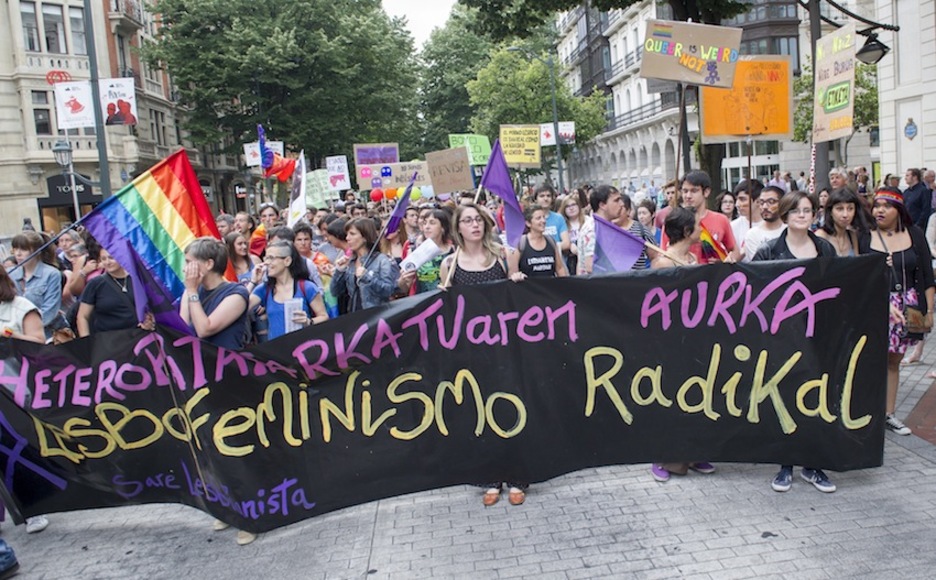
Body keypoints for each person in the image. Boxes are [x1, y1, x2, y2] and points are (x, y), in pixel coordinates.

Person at [753, 190, 837, 493]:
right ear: (786, 214)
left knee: (815, 398)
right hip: (781, 338)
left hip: (818, 338)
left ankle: (813, 465)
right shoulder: (769, 250)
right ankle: (785, 463)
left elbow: (841, 289)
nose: (803, 215)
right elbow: (755, 293)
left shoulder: (825, 249)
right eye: (797, 210)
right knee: (784, 398)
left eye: (808, 210)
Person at [860, 187, 935, 436]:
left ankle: (888, 414)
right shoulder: (864, 236)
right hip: (873, 304)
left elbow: (926, 276)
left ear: (899, 209)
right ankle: (866, 413)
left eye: (887, 205)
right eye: (877, 204)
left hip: (907, 307)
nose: (880, 209)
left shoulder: (914, 234)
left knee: (894, 361)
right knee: (871, 360)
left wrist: (929, 312)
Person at [649, 207, 716, 483]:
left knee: (697, 394)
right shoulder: (663, 264)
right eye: (698, 227)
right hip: (671, 341)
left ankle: (694, 452)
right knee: (671, 396)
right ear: (687, 232)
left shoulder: (692, 258)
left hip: (696, 339)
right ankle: (662, 457)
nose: (702, 230)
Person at [249, 241, 328, 342]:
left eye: (271, 258)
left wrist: (309, 321)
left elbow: (324, 317)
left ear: (287, 261)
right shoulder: (265, 289)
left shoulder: (307, 287)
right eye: (266, 258)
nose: (267, 262)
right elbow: (242, 308)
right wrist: (253, 281)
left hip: (302, 350)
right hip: (276, 352)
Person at [180, 238, 250, 351]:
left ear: (209, 264)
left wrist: (192, 292)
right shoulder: (191, 290)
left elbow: (204, 330)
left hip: (224, 364)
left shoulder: (236, 294)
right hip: (195, 363)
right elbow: (181, 330)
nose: (185, 269)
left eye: (189, 262)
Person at [663, 171, 739, 263]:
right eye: (685, 191)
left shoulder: (721, 220)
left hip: (713, 275)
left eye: (694, 191)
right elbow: (664, 254)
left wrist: (724, 263)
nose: (688, 196)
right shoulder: (674, 220)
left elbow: (734, 251)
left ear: (706, 192)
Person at [76, 248, 154, 336]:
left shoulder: (137, 279)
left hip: (138, 338)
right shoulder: (95, 284)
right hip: (108, 341)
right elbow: (82, 316)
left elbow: (151, 307)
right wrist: (87, 342)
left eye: (111, 258)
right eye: (103, 259)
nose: (108, 262)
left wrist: (149, 321)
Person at [331, 218, 400, 312]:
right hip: (355, 316)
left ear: (364, 237)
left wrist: (367, 277)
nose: (347, 238)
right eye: (347, 234)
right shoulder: (350, 261)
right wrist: (339, 270)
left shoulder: (382, 260)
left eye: (352, 234)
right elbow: (335, 291)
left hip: (376, 316)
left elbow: (389, 290)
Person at [9, 231, 63, 341]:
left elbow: (49, 311)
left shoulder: (51, 274)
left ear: (37, 251)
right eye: (15, 249)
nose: (18, 254)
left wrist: (27, 328)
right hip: (15, 336)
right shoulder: (10, 274)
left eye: (23, 249)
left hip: (47, 334)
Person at [439, 203, 508, 287]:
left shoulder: (502, 255)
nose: (475, 225)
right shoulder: (449, 265)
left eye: (479, 219)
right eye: (468, 221)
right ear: (458, 228)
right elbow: (451, 298)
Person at [398, 208, 454, 295]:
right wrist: (403, 280)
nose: (427, 227)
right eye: (425, 223)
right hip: (423, 303)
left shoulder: (453, 251)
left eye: (432, 223)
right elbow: (404, 288)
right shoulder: (414, 251)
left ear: (443, 228)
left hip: (446, 302)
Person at [508, 206, 569, 280]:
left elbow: (559, 268)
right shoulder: (520, 244)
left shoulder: (551, 241)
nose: (543, 221)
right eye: (538, 218)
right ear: (528, 223)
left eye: (544, 217)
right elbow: (513, 274)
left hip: (549, 289)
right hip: (528, 290)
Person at [577, 185, 626, 275]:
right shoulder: (593, 229)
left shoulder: (605, 226)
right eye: (616, 200)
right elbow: (590, 265)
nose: (622, 204)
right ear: (602, 205)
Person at [815, 188, 872, 258]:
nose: (845, 214)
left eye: (850, 208)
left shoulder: (852, 236)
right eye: (840, 209)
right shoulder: (821, 236)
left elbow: (857, 265)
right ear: (830, 211)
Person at [741, 186, 786, 262]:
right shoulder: (753, 234)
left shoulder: (791, 230)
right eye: (761, 203)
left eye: (771, 202)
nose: (765, 207)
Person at [559, 195, 585, 275]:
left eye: (573, 205)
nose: (571, 208)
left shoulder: (588, 221)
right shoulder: (562, 224)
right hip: (569, 260)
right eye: (567, 206)